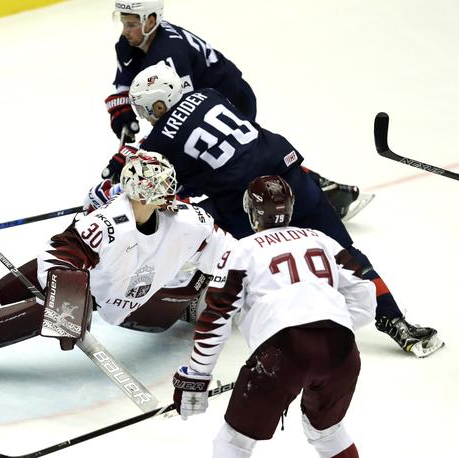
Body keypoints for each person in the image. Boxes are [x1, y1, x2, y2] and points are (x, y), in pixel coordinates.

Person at [105, 63, 443, 357]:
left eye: (146, 110)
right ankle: (396, 321)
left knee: (183, 226)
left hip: (247, 205)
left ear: (158, 104)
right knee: (346, 254)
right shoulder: (209, 94)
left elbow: (163, 187)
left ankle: (189, 297)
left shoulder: (159, 140)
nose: (146, 118)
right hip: (292, 180)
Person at [0, 151, 238, 374]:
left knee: (45, 308)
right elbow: (60, 254)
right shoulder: (111, 222)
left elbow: (228, 252)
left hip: (147, 310)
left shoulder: (191, 222)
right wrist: (69, 309)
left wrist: (213, 291)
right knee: (43, 289)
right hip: (107, 289)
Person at [172, 175, 375, 457]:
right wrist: (327, 328)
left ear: (251, 212)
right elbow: (365, 294)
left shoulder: (240, 251)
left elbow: (217, 317)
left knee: (233, 443)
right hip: (342, 349)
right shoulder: (322, 239)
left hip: (283, 352)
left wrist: (197, 376)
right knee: (329, 433)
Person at [103, 0, 364, 220]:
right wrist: (122, 112)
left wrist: (142, 154)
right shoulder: (131, 44)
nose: (126, 31)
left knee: (243, 160)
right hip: (206, 102)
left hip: (230, 100)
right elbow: (124, 81)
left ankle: (312, 193)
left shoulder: (170, 56)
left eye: (132, 24)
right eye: (124, 22)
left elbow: (179, 120)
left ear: (150, 21)